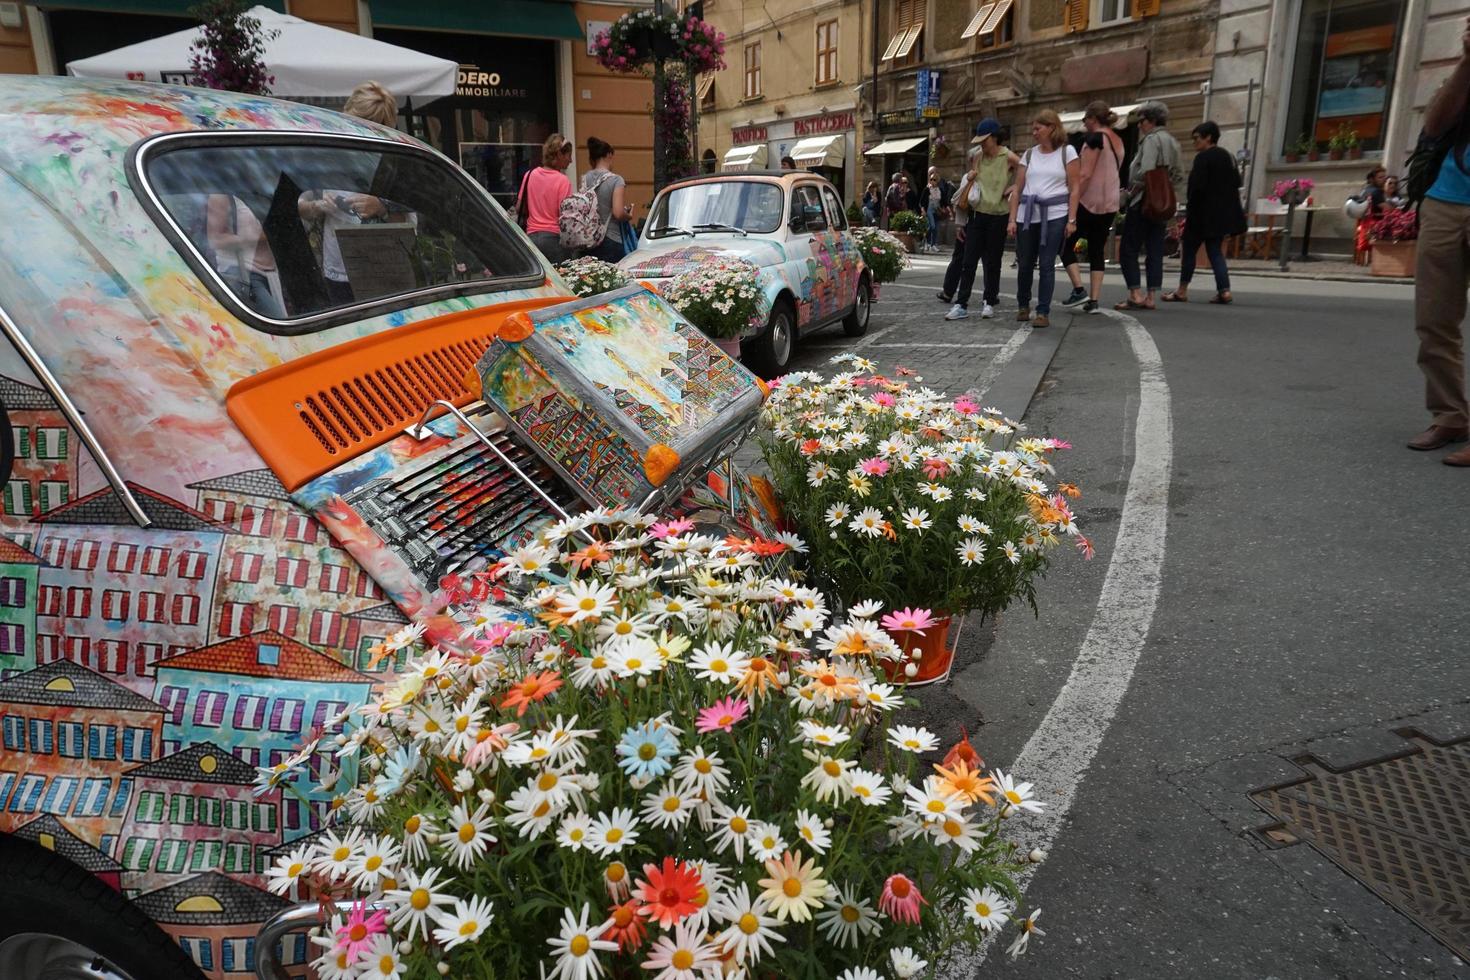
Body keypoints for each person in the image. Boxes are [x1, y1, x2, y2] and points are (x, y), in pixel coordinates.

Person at [1408, 15, 1470, 465]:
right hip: (1444, 202)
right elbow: (1434, 127)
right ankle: (1451, 415)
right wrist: (1467, 61)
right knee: (1434, 320)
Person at [298, 81, 403, 306]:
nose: (365, 133)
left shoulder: (394, 159)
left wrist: (382, 206)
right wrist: (318, 206)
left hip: (382, 268)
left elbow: (416, 211)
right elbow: (299, 206)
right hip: (337, 268)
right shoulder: (327, 155)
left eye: (375, 126)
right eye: (360, 124)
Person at [1007, 109, 1080, 329]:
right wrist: (1012, 219)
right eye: (1033, 128)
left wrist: (1072, 220)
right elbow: (1017, 190)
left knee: (1047, 264)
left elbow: (1075, 188)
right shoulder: (1029, 155)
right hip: (1027, 215)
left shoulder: (1068, 152)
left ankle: (1043, 311)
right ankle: (1023, 305)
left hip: (1056, 215)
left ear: (1052, 128)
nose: (1034, 132)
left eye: (1038, 128)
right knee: (1025, 263)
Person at [940, 118, 1016, 320]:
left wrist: (1015, 187)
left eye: (985, 140)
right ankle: (961, 304)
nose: (982, 143)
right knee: (968, 261)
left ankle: (989, 302)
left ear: (994, 137)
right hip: (977, 215)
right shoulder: (977, 157)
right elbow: (969, 190)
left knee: (993, 263)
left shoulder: (1008, 156)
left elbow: (1028, 172)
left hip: (998, 216)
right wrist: (961, 222)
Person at [1162, 121, 1246, 305]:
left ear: (1208, 137)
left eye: (1197, 138)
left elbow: (1196, 189)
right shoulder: (1228, 157)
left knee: (1189, 250)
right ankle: (1224, 291)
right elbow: (1236, 184)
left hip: (1201, 214)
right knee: (1215, 252)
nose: (1194, 142)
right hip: (1221, 215)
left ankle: (1182, 290)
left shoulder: (1203, 158)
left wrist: (1188, 210)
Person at [1115, 101, 1183, 311]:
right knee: (1155, 249)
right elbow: (1179, 175)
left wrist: (1129, 194)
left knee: (1129, 248)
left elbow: (1146, 171)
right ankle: (1151, 295)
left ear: (1151, 120)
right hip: (1163, 204)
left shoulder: (1152, 140)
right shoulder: (1173, 142)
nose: (1139, 125)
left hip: (1143, 202)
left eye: (1141, 120)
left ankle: (1135, 293)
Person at [1059, 101, 1124, 315]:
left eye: (1085, 120)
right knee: (1096, 249)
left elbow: (1085, 175)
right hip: (1111, 204)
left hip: (1090, 202)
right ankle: (1094, 300)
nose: (1084, 124)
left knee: (1066, 246)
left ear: (1092, 119)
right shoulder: (1118, 140)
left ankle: (1079, 289)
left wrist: (1072, 201)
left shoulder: (1094, 140)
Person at [207, 195, 284, 317]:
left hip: (269, 275)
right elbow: (215, 240)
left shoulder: (255, 190)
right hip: (245, 275)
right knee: (279, 325)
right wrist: (254, 237)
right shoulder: (221, 196)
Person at [518, 133, 574, 263]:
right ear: (559, 154)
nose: (570, 160)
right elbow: (564, 216)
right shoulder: (563, 181)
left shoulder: (529, 175)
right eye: (568, 155)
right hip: (554, 240)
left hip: (531, 239)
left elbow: (519, 207)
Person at [581, 136, 632, 262]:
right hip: (611, 239)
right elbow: (618, 213)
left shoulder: (585, 179)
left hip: (590, 239)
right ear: (609, 154)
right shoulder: (616, 180)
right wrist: (629, 215)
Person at [921, 171, 942, 252]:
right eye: (931, 179)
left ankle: (932, 244)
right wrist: (923, 210)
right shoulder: (927, 189)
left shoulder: (939, 190)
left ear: (937, 181)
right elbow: (922, 201)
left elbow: (941, 201)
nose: (932, 181)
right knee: (932, 226)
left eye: (934, 179)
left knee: (935, 228)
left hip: (936, 210)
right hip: (929, 209)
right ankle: (927, 242)